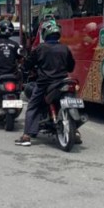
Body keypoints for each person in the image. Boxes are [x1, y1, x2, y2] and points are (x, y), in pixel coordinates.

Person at [19, 19, 76, 147]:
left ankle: (27, 135)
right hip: (62, 81)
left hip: (45, 83)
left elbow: (28, 64)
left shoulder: (40, 48)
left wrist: (24, 69)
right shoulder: (64, 48)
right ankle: (76, 133)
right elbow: (71, 67)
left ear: (45, 33)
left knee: (32, 106)